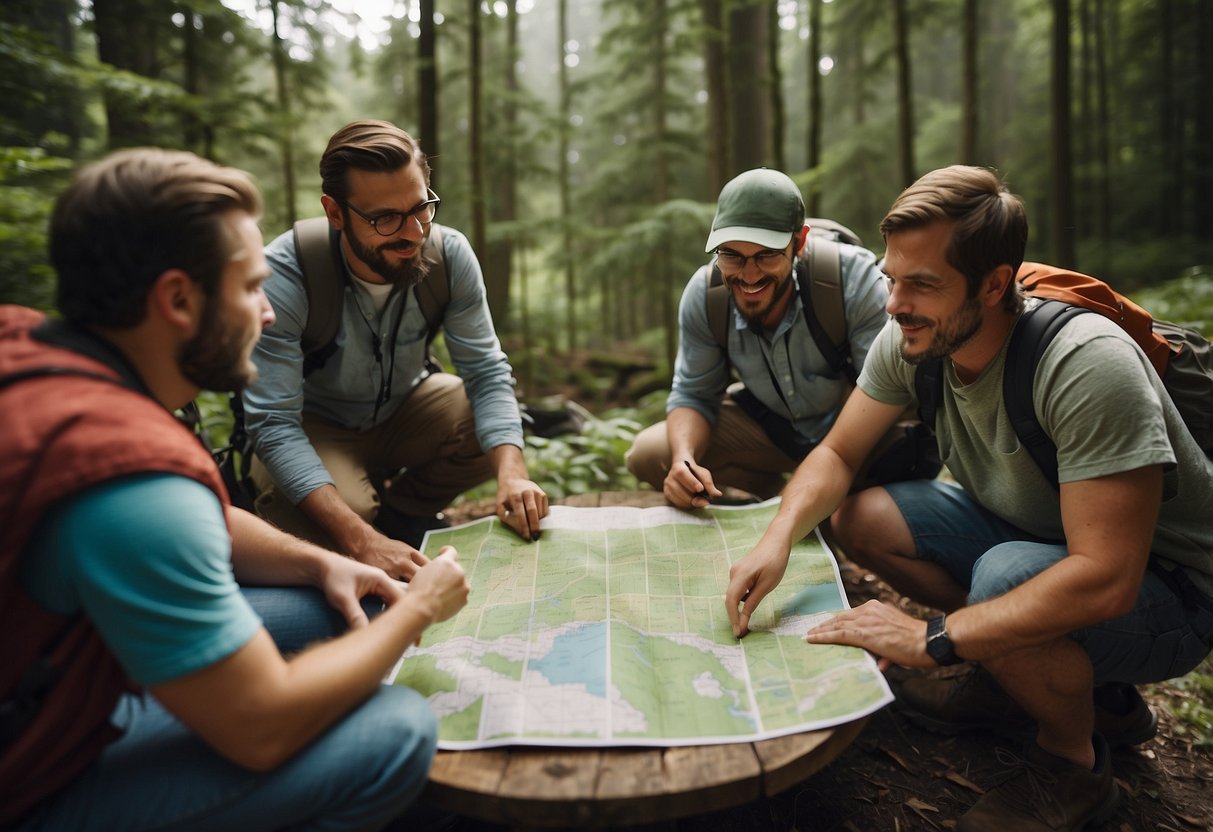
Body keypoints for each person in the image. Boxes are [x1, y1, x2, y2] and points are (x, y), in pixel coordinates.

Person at [724, 165, 1213, 831]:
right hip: (1036, 530)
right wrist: (776, 538)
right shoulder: (916, 339)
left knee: (1003, 579)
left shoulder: (1084, 364)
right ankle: (1040, 674)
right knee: (861, 517)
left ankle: (1072, 763)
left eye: (921, 284)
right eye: (892, 278)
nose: (894, 304)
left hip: (1170, 591)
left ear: (993, 284)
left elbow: (1105, 579)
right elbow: (838, 454)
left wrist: (934, 636)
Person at [0, 148, 470, 830]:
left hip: (47, 681)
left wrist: (322, 560)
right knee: (395, 727)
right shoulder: (131, 488)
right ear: (179, 301)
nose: (270, 314)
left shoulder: (37, 353)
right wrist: (417, 610)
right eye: (251, 287)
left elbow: (201, 515)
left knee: (333, 607)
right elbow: (262, 729)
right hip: (31, 777)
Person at [244, 120, 548, 578]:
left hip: (403, 411)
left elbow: (486, 372)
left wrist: (513, 473)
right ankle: (366, 525)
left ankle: (403, 517)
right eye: (384, 218)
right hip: (315, 425)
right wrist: (358, 537)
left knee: (487, 425)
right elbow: (274, 424)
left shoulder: (450, 256)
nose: (413, 233)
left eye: (421, 207)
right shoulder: (285, 275)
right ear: (335, 212)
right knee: (347, 516)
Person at [625, 168, 893, 508]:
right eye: (732, 255)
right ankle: (769, 497)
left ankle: (819, 509)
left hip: (857, 434)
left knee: (858, 519)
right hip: (773, 430)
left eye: (766, 254)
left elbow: (884, 393)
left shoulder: (854, 280)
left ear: (799, 242)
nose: (749, 275)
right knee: (651, 453)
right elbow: (693, 394)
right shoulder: (706, 295)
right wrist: (685, 461)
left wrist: (816, 477)